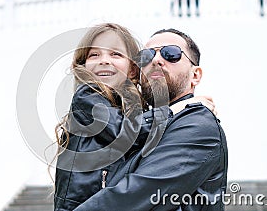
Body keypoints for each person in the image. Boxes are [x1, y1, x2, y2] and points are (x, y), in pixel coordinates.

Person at [53, 24, 216, 211]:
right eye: (94, 55)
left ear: (132, 70)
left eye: (115, 54)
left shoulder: (131, 108)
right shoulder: (87, 96)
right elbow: (126, 133)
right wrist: (178, 108)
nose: (104, 60)